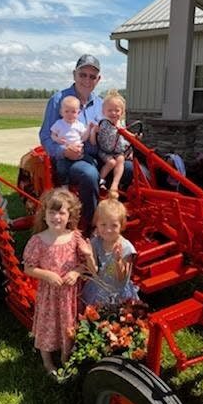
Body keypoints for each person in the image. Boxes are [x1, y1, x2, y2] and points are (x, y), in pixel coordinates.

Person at [39, 54, 132, 229]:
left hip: (99, 155)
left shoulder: (100, 103)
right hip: (71, 159)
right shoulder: (58, 100)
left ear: (98, 79)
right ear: (74, 74)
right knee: (89, 174)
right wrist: (63, 151)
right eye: (83, 75)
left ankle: (120, 217)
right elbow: (45, 136)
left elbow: (110, 130)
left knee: (132, 169)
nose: (87, 80)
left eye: (92, 76)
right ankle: (92, 227)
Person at [23, 188, 95, 376]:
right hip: (49, 295)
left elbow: (82, 264)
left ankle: (65, 357)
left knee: (68, 326)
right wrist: (47, 275)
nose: (56, 217)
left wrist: (76, 272)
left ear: (69, 215)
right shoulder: (38, 241)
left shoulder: (75, 237)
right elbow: (28, 268)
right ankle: (47, 362)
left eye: (61, 212)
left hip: (70, 295)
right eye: (52, 212)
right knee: (48, 325)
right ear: (44, 215)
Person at [81, 198, 139, 306]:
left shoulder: (126, 247)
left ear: (121, 226)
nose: (108, 230)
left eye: (114, 225)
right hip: (97, 290)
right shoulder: (95, 242)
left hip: (117, 293)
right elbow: (93, 270)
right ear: (96, 224)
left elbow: (122, 277)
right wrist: (88, 256)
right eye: (103, 225)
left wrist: (118, 260)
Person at [91, 89, 131, 196]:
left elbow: (126, 135)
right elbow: (94, 140)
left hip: (117, 151)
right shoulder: (103, 123)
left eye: (117, 110)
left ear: (122, 112)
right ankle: (101, 180)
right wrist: (93, 132)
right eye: (110, 110)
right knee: (111, 162)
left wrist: (134, 137)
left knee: (121, 159)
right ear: (104, 112)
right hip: (105, 151)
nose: (113, 113)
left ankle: (115, 184)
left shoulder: (120, 124)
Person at [50, 95, 95, 185]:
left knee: (93, 162)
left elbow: (83, 138)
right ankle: (64, 184)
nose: (70, 114)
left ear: (78, 113)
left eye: (73, 112)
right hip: (66, 153)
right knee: (61, 167)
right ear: (61, 112)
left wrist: (89, 129)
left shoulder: (79, 125)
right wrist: (57, 139)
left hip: (79, 153)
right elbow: (52, 134)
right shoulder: (59, 123)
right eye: (67, 111)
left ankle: (99, 179)